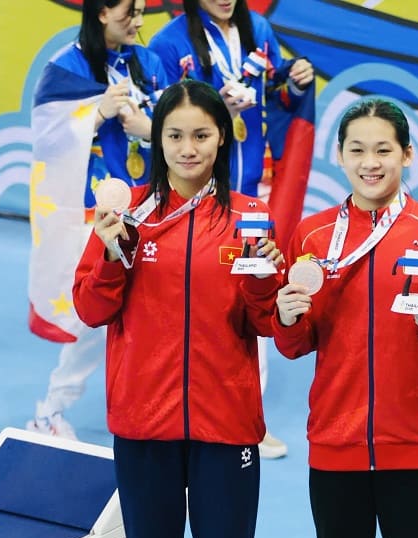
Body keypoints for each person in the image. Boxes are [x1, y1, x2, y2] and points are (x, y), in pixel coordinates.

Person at [72, 79, 284, 538]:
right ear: (157, 140)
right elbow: (89, 309)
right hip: (144, 423)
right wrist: (108, 255)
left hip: (226, 425)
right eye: (174, 136)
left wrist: (266, 281)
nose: (188, 150)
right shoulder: (127, 216)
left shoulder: (250, 218)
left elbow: (268, 323)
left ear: (222, 139)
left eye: (201, 136)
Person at [273, 99, 418, 538]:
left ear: (406, 155)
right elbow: (294, 344)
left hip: (417, 445)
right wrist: (284, 319)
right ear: (340, 156)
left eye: (384, 150)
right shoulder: (312, 236)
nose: (370, 163)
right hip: (335, 444)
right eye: (357, 150)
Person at [150, 0, 317, 458]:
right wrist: (213, 110)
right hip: (195, 190)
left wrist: (294, 78)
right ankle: (167, 405)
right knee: (182, 301)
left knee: (256, 289)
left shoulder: (258, 27)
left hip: (252, 189)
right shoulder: (169, 43)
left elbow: (276, 90)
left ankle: (249, 416)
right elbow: (160, 118)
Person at [27, 0, 168, 439]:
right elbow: (45, 137)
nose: (140, 23)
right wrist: (95, 113)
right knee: (95, 313)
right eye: (132, 13)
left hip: (148, 202)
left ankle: (148, 407)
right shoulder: (66, 65)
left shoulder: (148, 62)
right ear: (103, 12)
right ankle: (51, 409)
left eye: (144, 12)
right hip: (91, 211)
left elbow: (172, 122)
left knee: (152, 309)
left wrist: (150, 126)